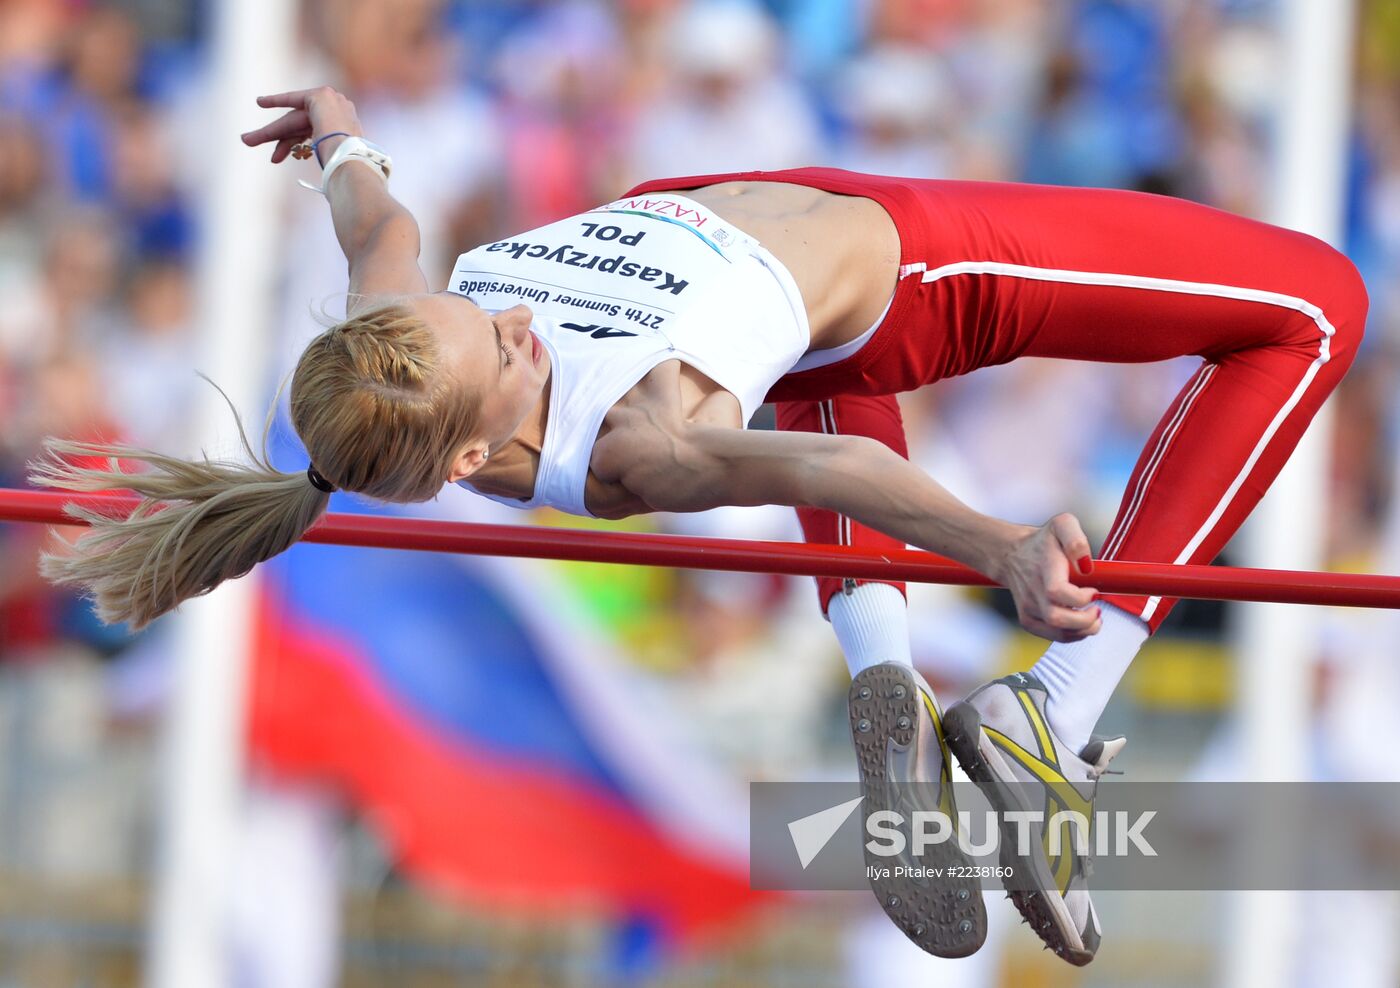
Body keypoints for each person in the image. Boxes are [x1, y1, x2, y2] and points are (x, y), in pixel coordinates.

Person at [32, 86, 1368, 965]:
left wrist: (337, 138)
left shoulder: (397, 358)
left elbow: (382, 224)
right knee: (1315, 305)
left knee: (802, 359)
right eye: (503, 348)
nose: (509, 314)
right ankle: (1054, 713)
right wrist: (999, 549)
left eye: (469, 307)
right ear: (486, 453)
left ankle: (886, 681)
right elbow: (828, 477)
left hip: (724, 215)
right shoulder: (640, 444)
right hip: (903, 266)